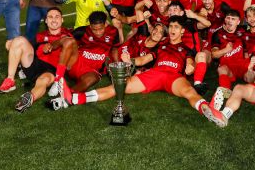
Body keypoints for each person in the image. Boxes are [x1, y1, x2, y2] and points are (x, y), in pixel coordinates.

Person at [66, 16, 226, 126]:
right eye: (170, 26)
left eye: (176, 27)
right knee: (118, 86)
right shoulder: (160, 45)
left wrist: (190, 67)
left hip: (174, 76)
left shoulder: (186, 48)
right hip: (155, 74)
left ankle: (206, 108)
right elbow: (145, 59)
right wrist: (130, 60)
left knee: (189, 92)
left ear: (183, 31)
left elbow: (190, 61)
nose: (172, 29)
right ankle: (77, 98)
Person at [0, 7, 73, 111]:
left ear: (62, 19)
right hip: (34, 65)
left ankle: (30, 97)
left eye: (57, 17)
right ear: (46, 21)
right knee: (18, 40)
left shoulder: (70, 34)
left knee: (43, 81)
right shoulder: (40, 35)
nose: (54, 20)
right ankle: (10, 80)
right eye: (50, 17)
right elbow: (26, 47)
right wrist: (12, 44)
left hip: (51, 70)